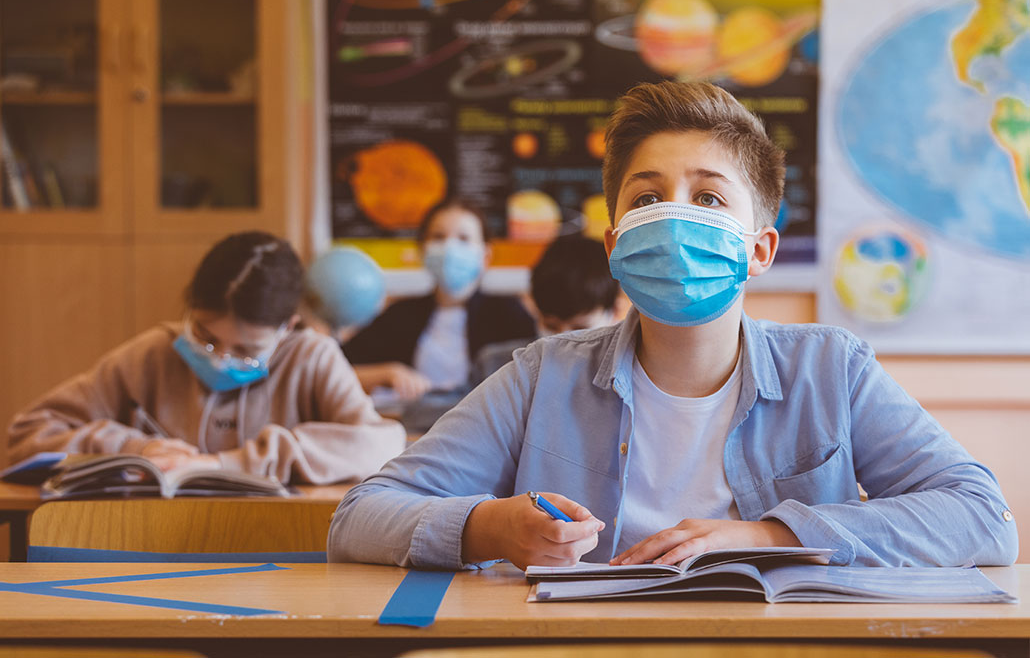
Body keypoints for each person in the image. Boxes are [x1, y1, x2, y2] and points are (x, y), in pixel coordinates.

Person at [328, 81, 1017, 570]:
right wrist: (488, 526)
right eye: (648, 196)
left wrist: (766, 536)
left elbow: (984, 518)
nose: (675, 215)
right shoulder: (542, 375)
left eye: (709, 196)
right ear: (615, 243)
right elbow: (360, 514)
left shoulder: (832, 369)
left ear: (759, 250)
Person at [7, 231, 406, 484]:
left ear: (287, 328)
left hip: (278, 552)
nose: (219, 358)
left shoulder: (311, 356)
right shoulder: (151, 354)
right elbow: (27, 433)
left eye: (246, 350)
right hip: (148, 547)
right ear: (189, 309)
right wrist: (133, 447)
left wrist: (231, 464)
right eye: (204, 336)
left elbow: (381, 444)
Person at [344, 197, 536, 401]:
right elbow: (339, 369)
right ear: (422, 249)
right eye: (438, 236)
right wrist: (387, 373)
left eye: (463, 238)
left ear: (485, 255)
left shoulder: (509, 315)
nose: (449, 247)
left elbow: (533, 381)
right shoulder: (399, 315)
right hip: (415, 429)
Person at [472, 233, 621, 383]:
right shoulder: (497, 367)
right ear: (532, 308)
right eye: (551, 326)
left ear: (615, 311)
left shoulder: (627, 373)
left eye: (580, 329)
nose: (564, 341)